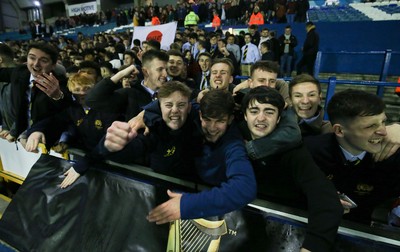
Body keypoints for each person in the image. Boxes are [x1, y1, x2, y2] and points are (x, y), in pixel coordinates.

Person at [240, 86, 343, 252]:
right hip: (241, 228)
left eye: (269, 112)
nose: (261, 118)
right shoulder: (233, 137)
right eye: (254, 111)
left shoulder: (295, 152)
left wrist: (312, 247)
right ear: (245, 115)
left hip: (284, 232)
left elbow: (328, 202)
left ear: (279, 118)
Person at [147, 89, 256, 223]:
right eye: (207, 120)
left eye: (220, 121)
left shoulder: (233, 145)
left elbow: (244, 188)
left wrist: (187, 205)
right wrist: (145, 115)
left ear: (230, 119)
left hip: (211, 215)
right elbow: (166, 105)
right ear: (200, 115)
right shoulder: (193, 114)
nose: (212, 127)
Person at [304, 89, 400, 224]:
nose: (383, 132)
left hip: (361, 232)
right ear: (339, 130)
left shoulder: (392, 154)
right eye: (371, 126)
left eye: (384, 122)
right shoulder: (309, 151)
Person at [24, 73, 123, 188]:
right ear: (71, 91)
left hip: (110, 164)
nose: (82, 93)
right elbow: (54, 121)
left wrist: (83, 164)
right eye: (77, 89)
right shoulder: (72, 108)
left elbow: (108, 141)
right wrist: (36, 131)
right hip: (87, 163)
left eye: (87, 88)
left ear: (95, 88)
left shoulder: (108, 108)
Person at [0, 42, 71, 143]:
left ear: (53, 65)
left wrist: (58, 96)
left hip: (44, 140)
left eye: (43, 60)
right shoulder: (20, 72)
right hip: (19, 139)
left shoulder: (59, 83)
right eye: (32, 58)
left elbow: (66, 110)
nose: (36, 64)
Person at [85, 50, 168, 121]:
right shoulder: (130, 94)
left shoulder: (172, 92)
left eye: (166, 69)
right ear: (145, 71)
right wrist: (120, 74)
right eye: (160, 70)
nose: (165, 74)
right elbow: (92, 100)